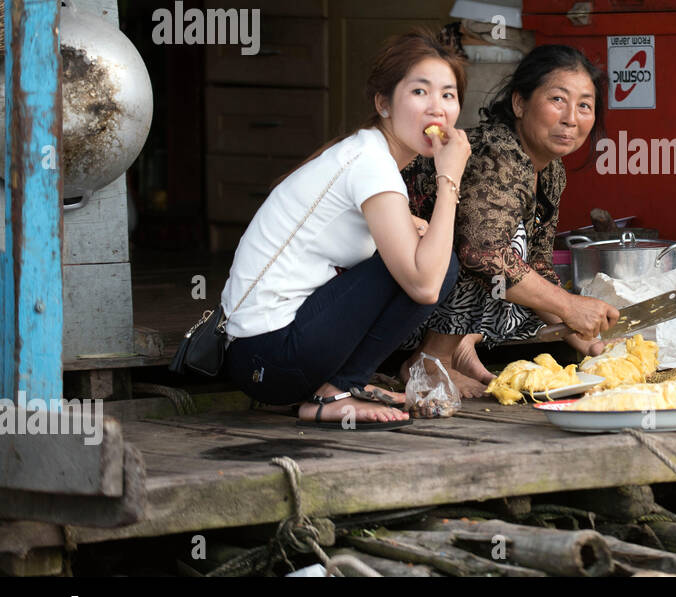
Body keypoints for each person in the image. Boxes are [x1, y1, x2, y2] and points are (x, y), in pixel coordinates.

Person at [219, 28, 471, 428]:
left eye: (448, 94)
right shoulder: (370, 163)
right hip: (268, 357)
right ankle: (336, 391)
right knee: (436, 267)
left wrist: (414, 223)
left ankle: (336, 388)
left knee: (430, 253)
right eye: (419, 92)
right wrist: (448, 180)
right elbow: (424, 284)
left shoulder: (364, 153)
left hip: (265, 356)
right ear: (383, 103)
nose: (436, 108)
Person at [400, 44, 621, 397]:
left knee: (527, 283)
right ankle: (428, 360)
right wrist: (569, 307)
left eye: (584, 106)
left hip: (426, 291)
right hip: (391, 291)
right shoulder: (496, 153)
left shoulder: (549, 171)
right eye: (558, 100)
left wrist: (574, 330)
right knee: (497, 254)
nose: (571, 119)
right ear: (519, 104)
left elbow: (538, 263)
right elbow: (481, 254)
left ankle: (455, 353)